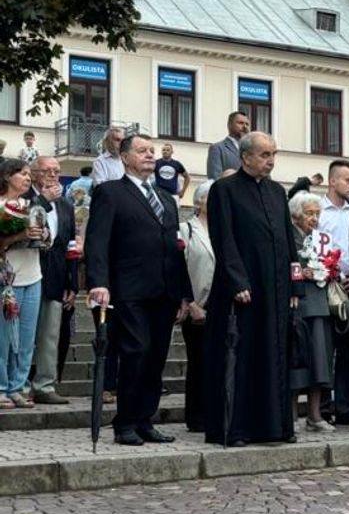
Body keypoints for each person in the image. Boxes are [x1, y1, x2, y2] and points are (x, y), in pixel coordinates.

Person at [85, 135, 191, 444]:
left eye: (152, 152)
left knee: (156, 356)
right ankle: (125, 422)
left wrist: (184, 292)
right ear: (125, 156)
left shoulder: (166, 198)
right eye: (142, 151)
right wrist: (98, 282)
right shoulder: (110, 192)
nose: (150, 156)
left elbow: (175, 247)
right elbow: (98, 240)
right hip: (129, 288)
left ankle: (145, 419)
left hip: (164, 289)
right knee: (136, 350)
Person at [203, 132, 298, 446]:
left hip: (276, 289)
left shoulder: (276, 192)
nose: (270, 161)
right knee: (242, 358)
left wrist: (294, 282)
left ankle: (276, 427)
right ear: (245, 157)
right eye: (264, 155)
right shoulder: (224, 190)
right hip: (242, 289)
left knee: (275, 355)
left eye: (273, 154)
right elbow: (224, 238)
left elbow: (287, 238)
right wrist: (237, 281)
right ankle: (237, 428)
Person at [315, 160, 349, 427]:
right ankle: (322, 407)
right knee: (323, 347)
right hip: (324, 284)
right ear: (333, 181)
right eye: (348, 180)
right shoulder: (318, 211)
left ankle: (347, 408)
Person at [28, 157, 77, 405]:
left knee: (50, 333)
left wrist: (72, 281)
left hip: (56, 275)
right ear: (34, 173)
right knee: (23, 334)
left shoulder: (66, 205)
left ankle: (45, 384)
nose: (54, 175)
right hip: (27, 271)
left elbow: (70, 245)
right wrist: (44, 201)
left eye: (57, 171)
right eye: (48, 171)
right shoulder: (25, 197)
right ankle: (21, 383)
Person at [0, 160, 47, 410]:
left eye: (30, 174)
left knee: (27, 339)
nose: (28, 178)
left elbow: (46, 240)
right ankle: (1, 387)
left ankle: (18, 387)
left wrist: (44, 235)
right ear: (7, 176)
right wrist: (19, 235)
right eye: (22, 174)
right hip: (7, 279)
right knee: (4, 338)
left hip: (33, 276)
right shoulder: (0, 206)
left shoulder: (32, 206)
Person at [289, 193, 335, 432]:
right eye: (309, 213)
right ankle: (293, 415)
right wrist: (301, 272)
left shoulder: (321, 239)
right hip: (299, 304)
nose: (314, 218)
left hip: (321, 303)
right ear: (296, 214)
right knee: (298, 360)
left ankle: (316, 415)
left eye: (317, 213)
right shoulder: (290, 238)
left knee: (321, 359)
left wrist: (331, 268)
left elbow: (332, 262)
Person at [178, 181, 214, 432]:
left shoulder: (226, 229)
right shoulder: (185, 229)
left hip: (221, 306)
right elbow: (178, 268)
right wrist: (189, 303)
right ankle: (198, 416)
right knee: (199, 362)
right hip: (197, 304)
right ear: (200, 201)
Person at [206, 111, 250, 179]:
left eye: (247, 124)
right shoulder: (218, 148)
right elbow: (215, 178)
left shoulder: (252, 150)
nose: (245, 127)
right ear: (229, 125)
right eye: (240, 123)